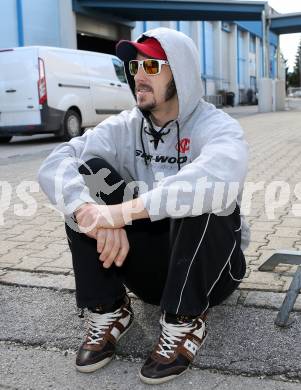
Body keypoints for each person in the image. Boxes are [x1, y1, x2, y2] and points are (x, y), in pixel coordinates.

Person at [38, 27, 249, 385]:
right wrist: (89, 213)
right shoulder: (125, 125)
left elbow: (221, 174)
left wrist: (119, 213)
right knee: (86, 178)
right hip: (146, 270)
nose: (139, 76)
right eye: (134, 67)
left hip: (212, 273)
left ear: (179, 73)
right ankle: (110, 308)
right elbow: (58, 160)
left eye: (151, 67)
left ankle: (185, 320)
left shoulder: (215, 126)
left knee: (205, 194)